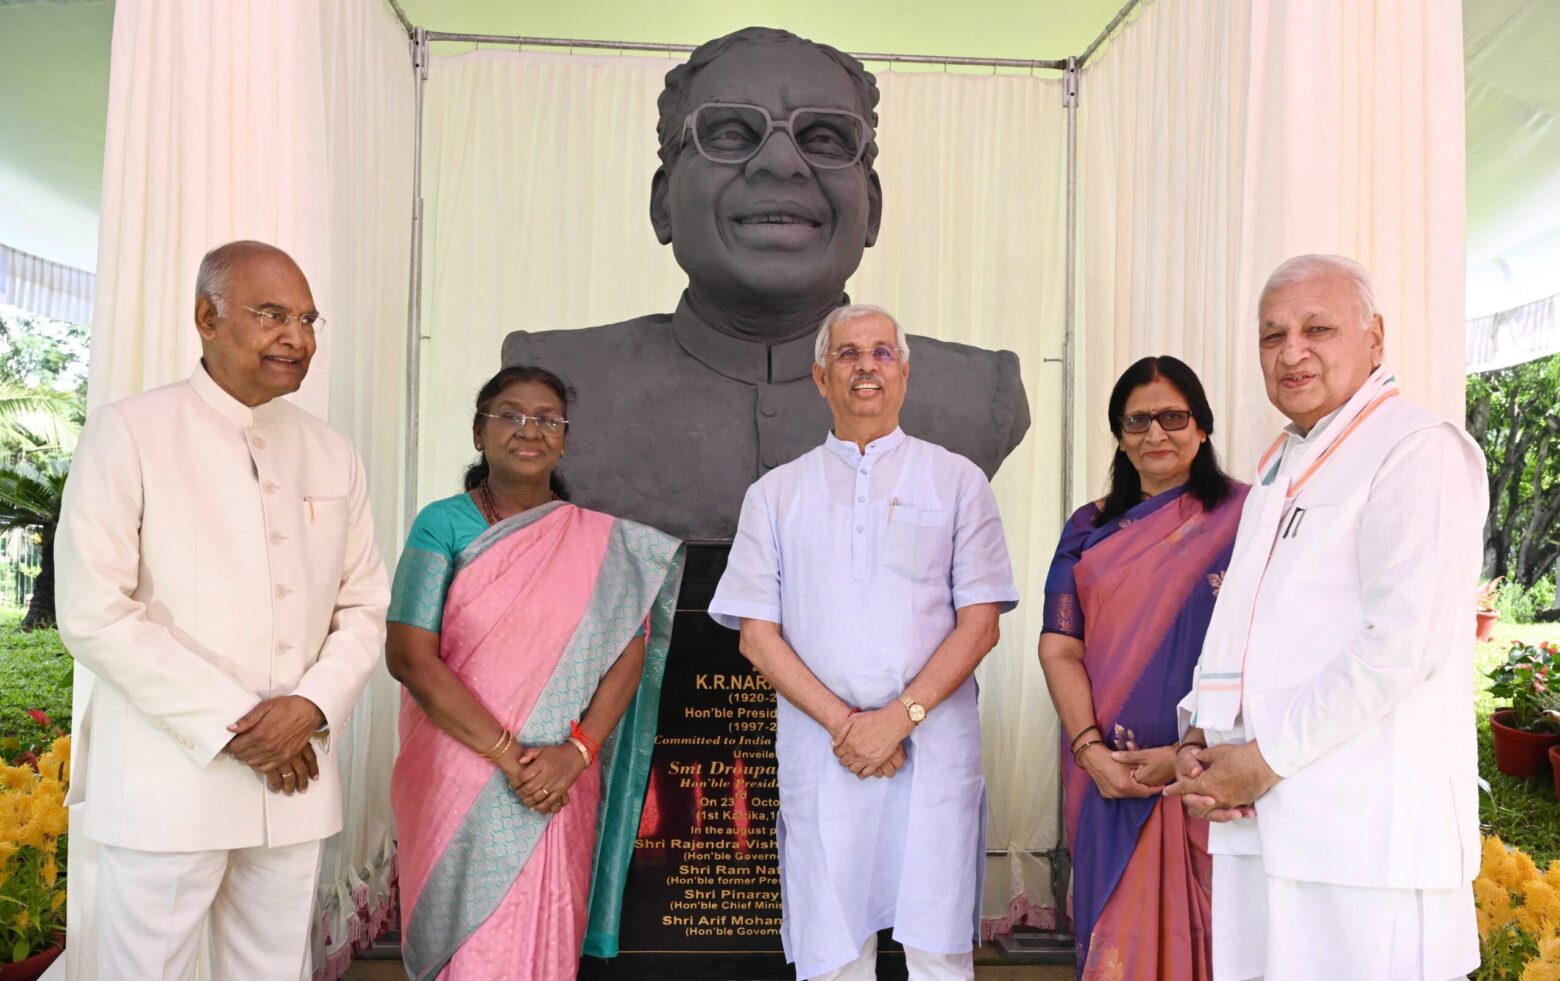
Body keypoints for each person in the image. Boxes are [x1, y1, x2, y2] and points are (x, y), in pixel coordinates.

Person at [503, 27, 1029, 543]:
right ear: (663, 204)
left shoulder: (978, 395)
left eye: (823, 139)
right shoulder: (555, 385)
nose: (781, 164)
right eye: (730, 134)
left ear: (873, 209)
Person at [54, 240, 389, 979]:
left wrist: (310, 705)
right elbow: (93, 611)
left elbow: (365, 605)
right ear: (207, 316)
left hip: (293, 781)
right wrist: (239, 725)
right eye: (272, 314)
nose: (297, 337)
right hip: (169, 779)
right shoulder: (131, 430)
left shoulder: (334, 453)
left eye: (307, 318)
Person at [1167, 255, 1487, 980]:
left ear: (1376, 337)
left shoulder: (1416, 447)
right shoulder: (1286, 459)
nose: (1291, 352)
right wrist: (1200, 730)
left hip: (1365, 837)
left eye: (1317, 328)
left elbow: (1401, 647)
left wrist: (1263, 758)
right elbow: (1247, 619)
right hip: (1269, 825)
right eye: (1271, 335)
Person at [708, 303, 1018, 980]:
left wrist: (896, 719)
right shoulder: (775, 494)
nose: (866, 367)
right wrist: (850, 726)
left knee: (938, 951)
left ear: (904, 372)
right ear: (821, 378)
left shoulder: (957, 480)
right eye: (848, 354)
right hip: (826, 754)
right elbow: (757, 637)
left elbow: (981, 622)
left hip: (931, 752)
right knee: (832, 951)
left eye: (881, 352)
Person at [387, 365, 684, 981]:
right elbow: (410, 655)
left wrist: (576, 754)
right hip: (459, 768)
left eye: (547, 419)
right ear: (479, 432)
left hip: (559, 774)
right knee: (465, 947)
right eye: (511, 415)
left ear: (565, 439)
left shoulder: (601, 546)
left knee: (546, 937)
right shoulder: (441, 525)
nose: (530, 430)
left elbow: (628, 656)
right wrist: (507, 754)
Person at [1038, 356, 1247, 979]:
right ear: (1119, 433)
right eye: (1137, 420)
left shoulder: (1249, 518)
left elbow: (1273, 649)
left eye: (1173, 417)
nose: (1156, 434)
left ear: (1202, 426)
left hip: (1209, 773)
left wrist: (1188, 747)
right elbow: (1059, 645)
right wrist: (1090, 751)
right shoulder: (1090, 526)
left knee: (1214, 942)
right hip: (1108, 776)